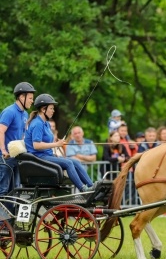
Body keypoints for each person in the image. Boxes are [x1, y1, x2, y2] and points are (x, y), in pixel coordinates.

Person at [24, 94, 96, 192]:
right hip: (39, 157)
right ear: (43, 109)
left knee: (76, 162)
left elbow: (46, 141)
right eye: (51, 108)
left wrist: (57, 142)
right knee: (69, 163)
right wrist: (56, 144)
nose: (53, 111)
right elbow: (36, 145)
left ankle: (91, 186)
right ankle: (83, 189)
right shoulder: (37, 124)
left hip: (47, 155)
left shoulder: (46, 123)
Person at [0, 82, 36, 210]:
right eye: (30, 98)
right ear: (22, 97)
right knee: (3, 191)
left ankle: (9, 223)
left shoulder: (25, 114)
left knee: (14, 191)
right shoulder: (9, 112)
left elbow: (22, 136)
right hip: (5, 158)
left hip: (16, 157)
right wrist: (3, 150)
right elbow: (1, 131)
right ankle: (1, 224)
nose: (32, 101)